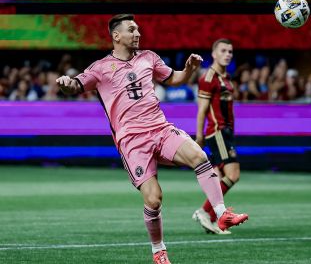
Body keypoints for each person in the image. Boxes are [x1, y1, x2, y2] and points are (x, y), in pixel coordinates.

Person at [55, 15, 248, 264]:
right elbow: (75, 86)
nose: (138, 33)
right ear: (116, 36)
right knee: (154, 199)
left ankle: (221, 213)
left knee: (199, 156)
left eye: (138, 29)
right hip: (132, 141)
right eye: (132, 30)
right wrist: (65, 83)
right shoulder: (100, 68)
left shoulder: (149, 58)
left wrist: (188, 68)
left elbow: (175, 78)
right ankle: (159, 250)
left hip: (160, 128)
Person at [193, 39, 242, 235]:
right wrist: (199, 136)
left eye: (230, 51)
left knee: (219, 178)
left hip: (226, 132)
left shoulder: (226, 77)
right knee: (233, 175)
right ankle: (204, 212)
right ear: (213, 53)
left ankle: (214, 220)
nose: (228, 54)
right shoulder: (208, 77)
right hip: (218, 132)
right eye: (223, 50)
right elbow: (202, 110)